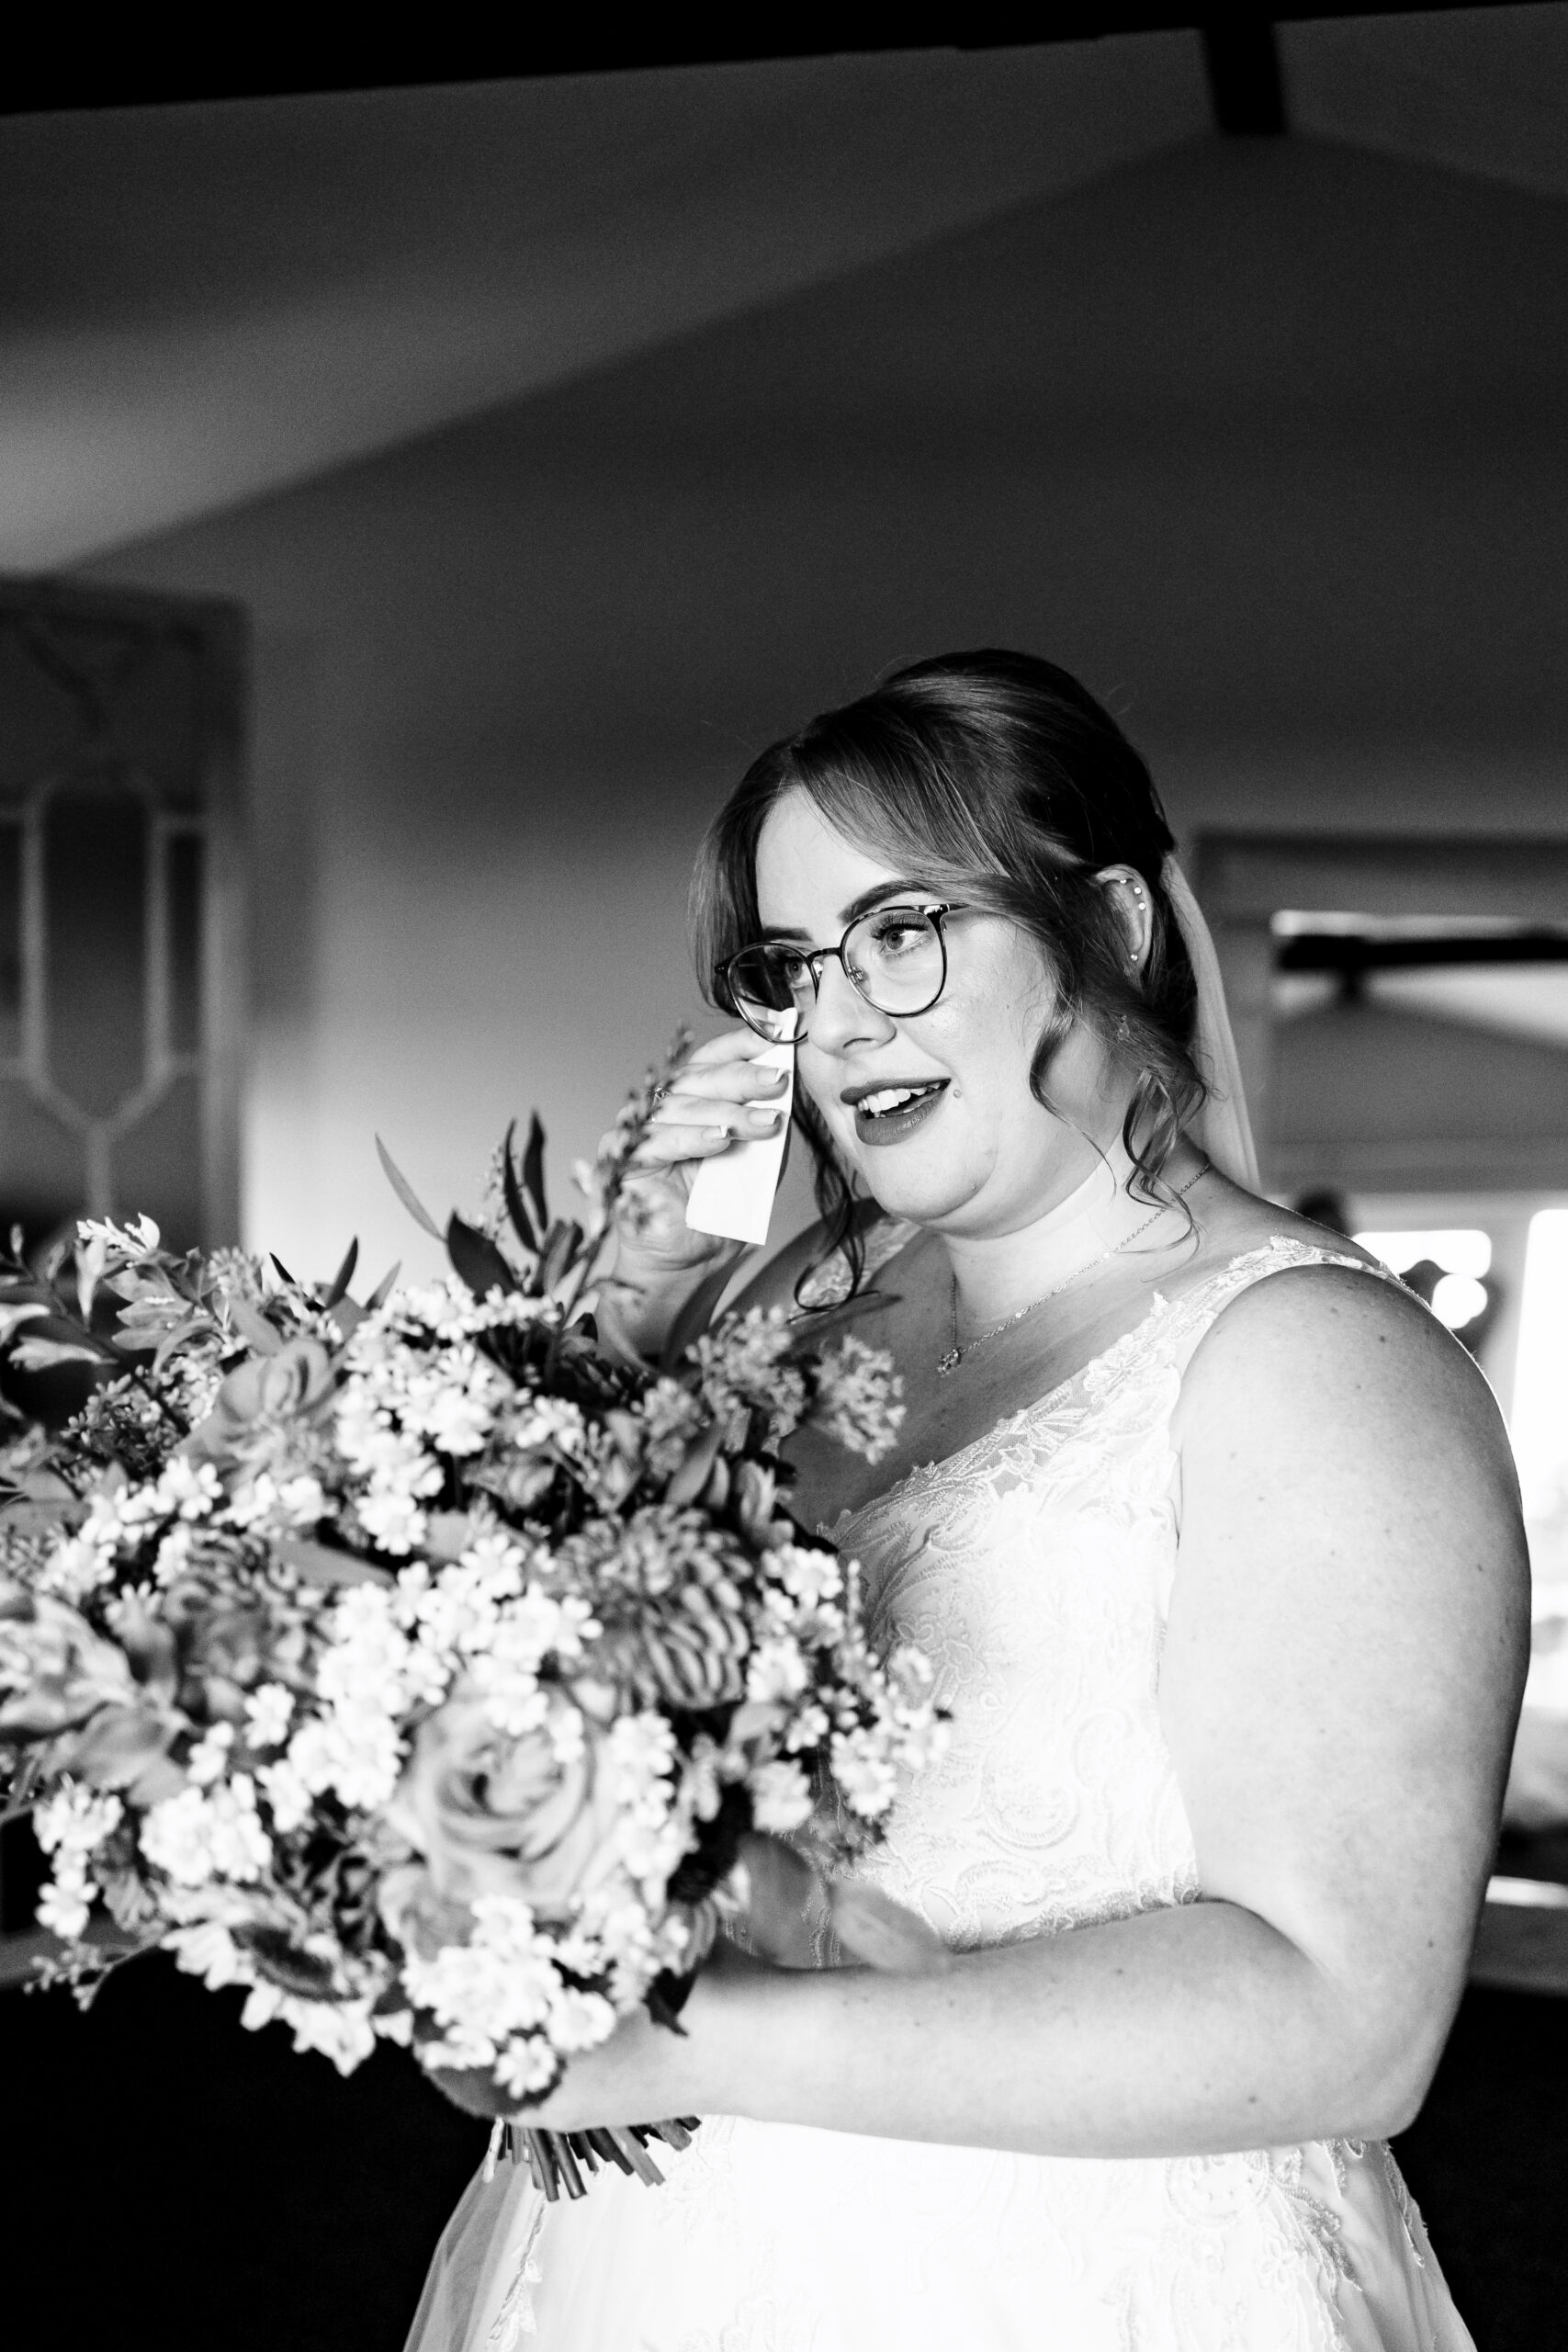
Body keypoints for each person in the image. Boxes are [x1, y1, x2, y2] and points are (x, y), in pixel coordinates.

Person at [408, 651, 1527, 2351]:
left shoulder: (1316, 1362)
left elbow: (1344, 2019)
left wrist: (676, 2042)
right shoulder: (786, 1318)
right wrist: (621, 1330)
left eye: (903, 930)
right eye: (793, 964)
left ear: (1118, 934)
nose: (839, 1018)